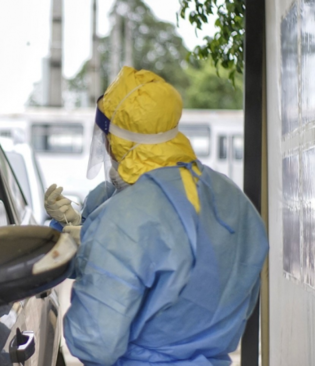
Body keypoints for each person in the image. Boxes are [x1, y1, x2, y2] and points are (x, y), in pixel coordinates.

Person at [44, 67, 268, 366]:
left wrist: (91, 249)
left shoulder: (125, 218)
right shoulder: (234, 201)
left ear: (118, 142)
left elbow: (94, 341)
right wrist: (83, 234)